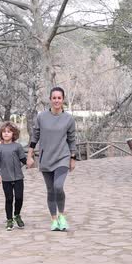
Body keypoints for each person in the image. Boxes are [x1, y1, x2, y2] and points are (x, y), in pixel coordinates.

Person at [27, 86, 76, 231]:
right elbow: (35, 137)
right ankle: (54, 220)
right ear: (50, 100)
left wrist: (73, 158)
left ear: (63, 100)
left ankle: (61, 215)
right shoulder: (41, 117)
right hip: (46, 158)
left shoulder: (68, 119)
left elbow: (72, 139)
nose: (56, 100)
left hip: (62, 157)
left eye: (59, 98)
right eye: (54, 98)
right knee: (50, 190)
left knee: (58, 186)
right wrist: (29, 155)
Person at [0, 121, 27, 231]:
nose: (6, 134)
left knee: (19, 198)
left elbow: (23, 159)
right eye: (4, 132)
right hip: (6, 178)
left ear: (14, 134)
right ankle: (9, 220)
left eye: (9, 132)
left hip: (18, 177)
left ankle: (17, 215)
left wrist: (29, 162)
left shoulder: (18, 146)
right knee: (9, 199)